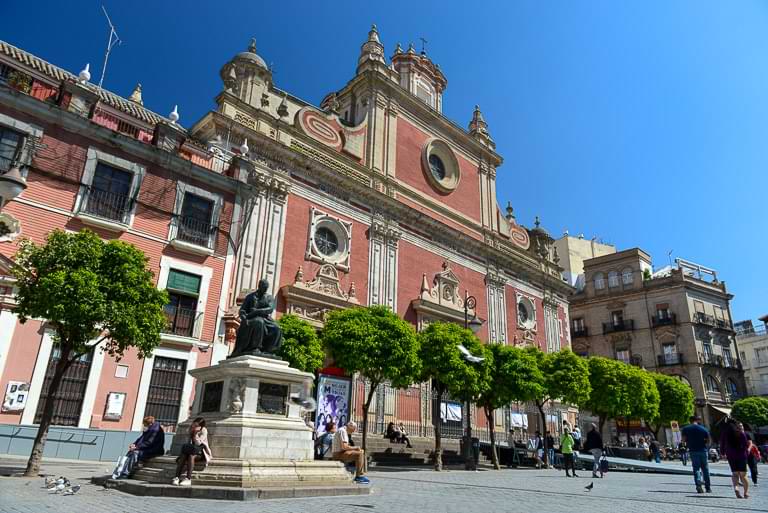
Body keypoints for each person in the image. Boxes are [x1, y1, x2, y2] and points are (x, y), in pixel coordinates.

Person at [172, 417, 211, 486]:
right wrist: (190, 433)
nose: (194, 426)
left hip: (200, 452)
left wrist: (195, 434)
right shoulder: (190, 429)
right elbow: (188, 443)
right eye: (194, 424)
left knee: (191, 456)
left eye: (196, 425)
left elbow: (199, 444)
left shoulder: (204, 430)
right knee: (184, 455)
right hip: (191, 450)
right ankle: (176, 477)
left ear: (201, 426)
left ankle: (188, 478)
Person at [681, 415, 711, 494]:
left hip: (693, 450)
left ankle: (698, 484)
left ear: (690, 421)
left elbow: (683, 440)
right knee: (705, 469)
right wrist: (705, 445)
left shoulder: (686, 429)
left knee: (696, 468)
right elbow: (708, 440)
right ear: (697, 420)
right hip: (703, 450)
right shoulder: (703, 428)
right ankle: (708, 487)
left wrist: (686, 445)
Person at [720, 419, 750, 499]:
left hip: (731, 455)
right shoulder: (741, 433)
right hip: (741, 455)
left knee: (735, 474)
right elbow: (745, 445)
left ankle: (736, 488)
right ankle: (746, 493)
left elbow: (722, 443)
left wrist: (722, 453)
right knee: (743, 475)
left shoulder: (725, 433)